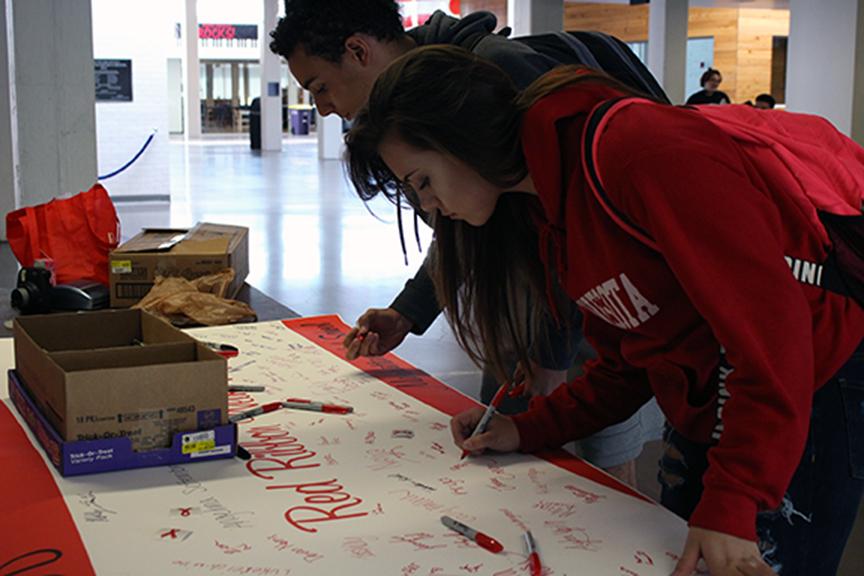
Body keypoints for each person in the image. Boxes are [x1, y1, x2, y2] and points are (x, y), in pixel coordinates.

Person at [344, 45, 864, 576]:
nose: (428, 207)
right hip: (718, 399)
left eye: (422, 182)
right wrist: (529, 428)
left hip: (804, 390)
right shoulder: (548, 204)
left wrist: (735, 496)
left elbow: (772, 337)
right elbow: (627, 362)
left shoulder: (639, 153)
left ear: (460, 138)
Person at [269, 0, 664, 486]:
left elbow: (575, 230)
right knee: (509, 446)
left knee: (600, 472)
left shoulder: (493, 76)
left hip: (595, 313)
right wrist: (410, 310)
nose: (323, 108)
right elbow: (463, 221)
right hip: (530, 309)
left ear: (357, 50)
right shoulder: (413, 107)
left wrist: (550, 353)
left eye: (320, 87)